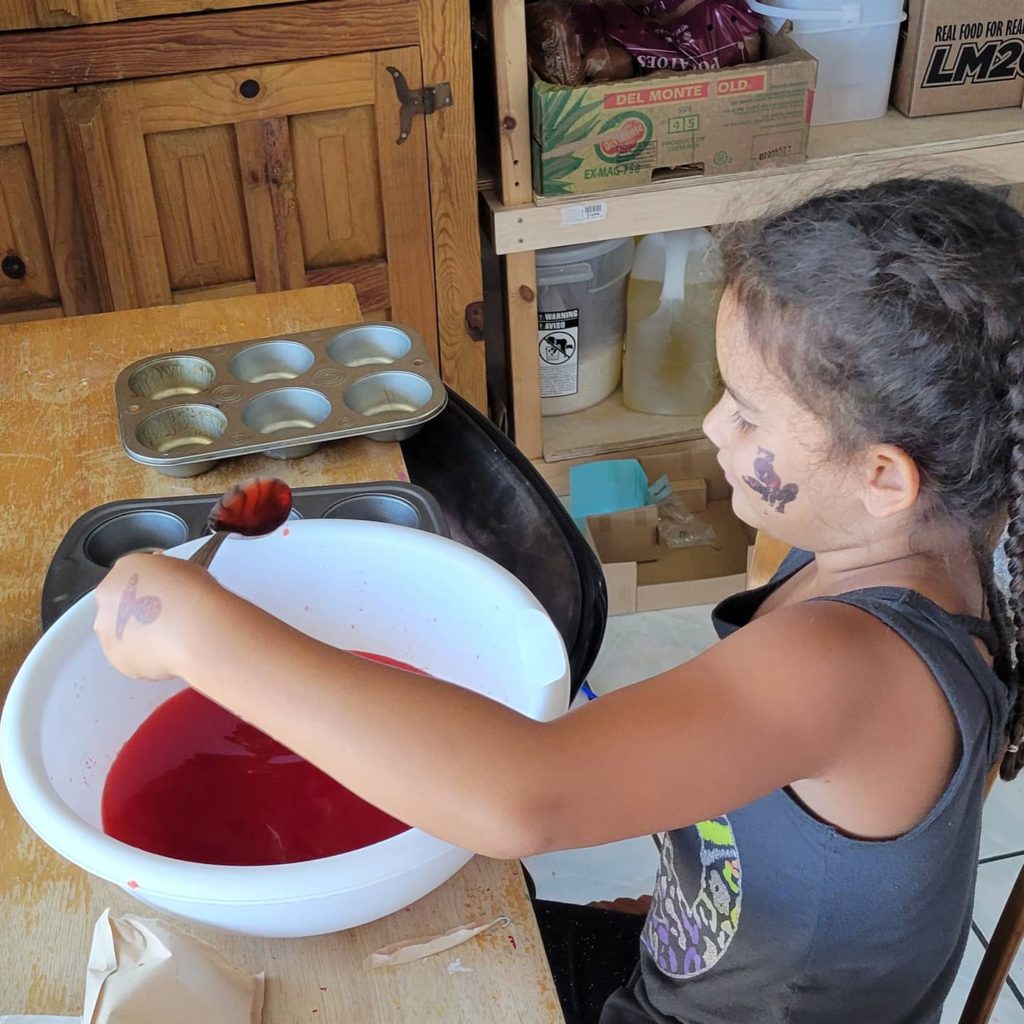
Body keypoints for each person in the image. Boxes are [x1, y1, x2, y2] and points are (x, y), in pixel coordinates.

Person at [94, 178, 1024, 1023]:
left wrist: (190, 626)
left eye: (746, 411)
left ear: (882, 476)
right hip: (693, 969)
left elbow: (524, 800)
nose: (710, 425)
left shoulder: (849, 665)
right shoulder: (935, 548)